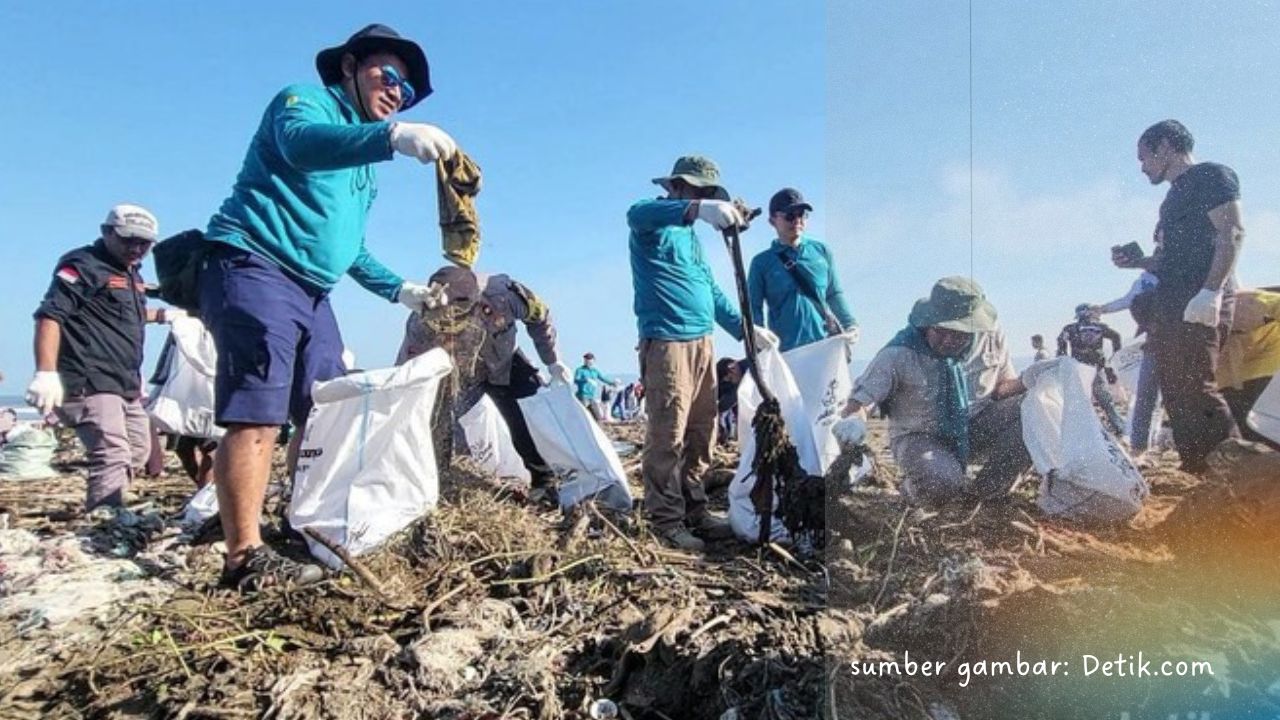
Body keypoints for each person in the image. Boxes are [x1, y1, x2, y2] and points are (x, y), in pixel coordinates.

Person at [199, 24, 459, 592]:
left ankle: (304, 524)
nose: (396, 92)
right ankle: (243, 558)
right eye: (387, 77)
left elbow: (348, 246)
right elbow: (299, 144)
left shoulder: (363, 164)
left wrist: (400, 290)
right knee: (258, 410)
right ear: (349, 66)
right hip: (255, 264)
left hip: (313, 290)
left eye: (406, 92)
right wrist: (389, 138)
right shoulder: (307, 102)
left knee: (326, 409)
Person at [628, 155, 778, 551]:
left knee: (702, 430)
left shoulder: (691, 239)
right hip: (666, 343)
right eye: (696, 190)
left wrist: (748, 332)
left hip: (702, 343)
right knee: (668, 433)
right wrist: (698, 209)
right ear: (676, 187)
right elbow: (636, 213)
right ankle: (665, 519)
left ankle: (693, 509)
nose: (702, 197)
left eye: (708, 193)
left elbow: (711, 294)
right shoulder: (653, 222)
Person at [27, 204, 182, 510]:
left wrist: (166, 315)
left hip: (124, 382)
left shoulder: (132, 273)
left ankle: (112, 507)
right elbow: (50, 316)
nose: (136, 249)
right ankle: (103, 524)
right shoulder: (83, 265)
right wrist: (45, 372)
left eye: (144, 243)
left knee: (139, 449)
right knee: (111, 454)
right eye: (128, 240)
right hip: (89, 380)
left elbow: (117, 315)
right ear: (107, 232)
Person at [841, 277, 1031, 504]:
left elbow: (1001, 389)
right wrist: (855, 420)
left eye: (960, 333)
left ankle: (984, 495)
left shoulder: (990, 336)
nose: (949, 339)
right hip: (922, 437)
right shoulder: (898, 352)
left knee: (1036, 411)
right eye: (941, 331)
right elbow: (862, 401)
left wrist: (1031, 380)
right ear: (928, 322)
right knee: (942, 483)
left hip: (976, 426)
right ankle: (913, 489)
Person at [1134, 119, 1246, 473]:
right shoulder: (1171, 199)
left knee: (1197, 386)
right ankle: (1199, 471)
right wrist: (1138, 262)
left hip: (1201, 295)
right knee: (1175, 389)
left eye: (1144, 158)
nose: (1142, 167)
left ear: (1164, 146)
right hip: (1173, 299)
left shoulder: (1211, 176)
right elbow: (1169, 259)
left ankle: (1241, 476)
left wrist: (1211, 291)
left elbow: (1232, 231)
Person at [397, 264, 571, 486]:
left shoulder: (504, 295)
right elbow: (407, 365)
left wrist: (553, 360)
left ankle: (544, 479)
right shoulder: (420, 321)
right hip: (457, 375)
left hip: (504, 362)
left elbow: (540, 317)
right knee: (438, 420)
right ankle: (438, 479)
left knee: (529, 415)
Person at [747, 188, 858, 352]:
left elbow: (833, 293)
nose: (797, 221)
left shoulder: (822, 251)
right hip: (786, 352)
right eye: (789, 215)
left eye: (802, 214)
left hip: (825, 346)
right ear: (772, 221)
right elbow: (753, 308)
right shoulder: (761, 263)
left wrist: (850, 324)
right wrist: (758, 343)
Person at [1093, 247, 1162, 457]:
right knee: (1146, 392)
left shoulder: (1179, 273)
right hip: (1149, 336)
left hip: (1171, 333)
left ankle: (1148, 441)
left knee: (1155, 395)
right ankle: (1138, 443)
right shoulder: (1143, 280)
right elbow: (1128, 300)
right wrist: (1102, 309)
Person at [1216, 288, 1280, 451]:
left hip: (1266, 363)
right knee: (1239, 424)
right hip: (1232, 375)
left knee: (1257, 424)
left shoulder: (1252, 300)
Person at [1057, 304, 1126, 436]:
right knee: (1105, 400)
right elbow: (1116, 336)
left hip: (1078, 368)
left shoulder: (1070, 328)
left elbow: (1060, 341)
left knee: (1082, 401)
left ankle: (1087, 431)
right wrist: (1116, 355)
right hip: (1096, 366)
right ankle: (1119, 427)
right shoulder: (1099, 327)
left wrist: (1063, 357)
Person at [573, 353, 616, 421]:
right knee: (584, 414)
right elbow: (576, 380)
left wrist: (612, 383)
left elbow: (602, 378)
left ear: (593, 361)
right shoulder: (580, 370)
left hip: (592, 396)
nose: (588, 361)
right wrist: (585, 380)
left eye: (589, 359)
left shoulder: (595, 371)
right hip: (583, 395)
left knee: (596, 414)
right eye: (586, 359)